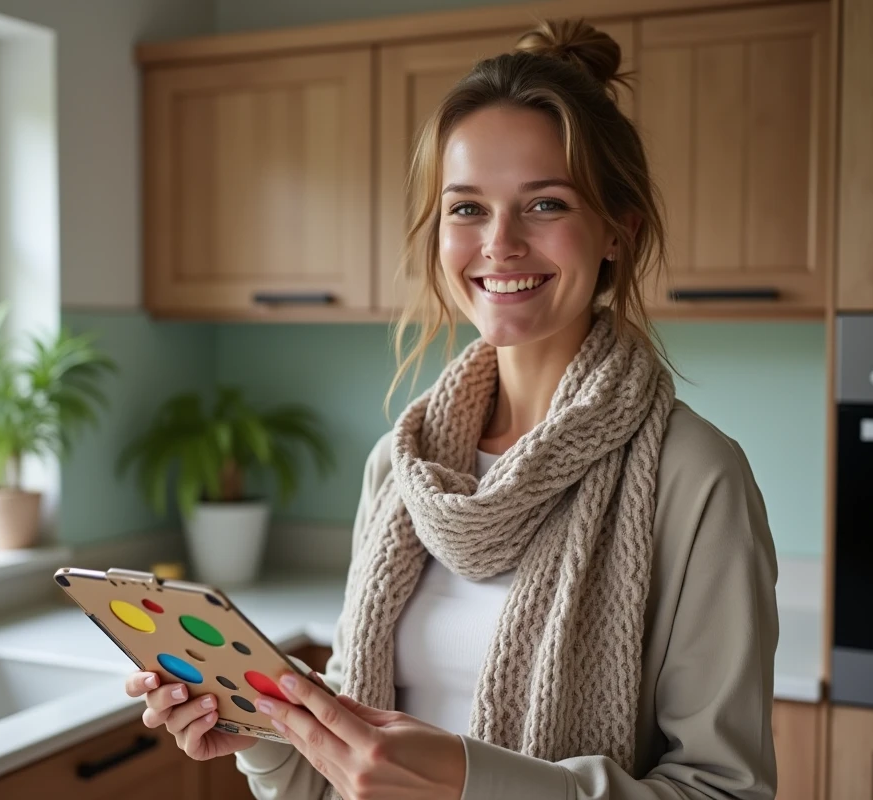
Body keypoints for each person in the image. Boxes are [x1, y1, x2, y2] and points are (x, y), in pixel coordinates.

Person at [125, 18, 778, 800]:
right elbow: (343, 779)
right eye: (467, 209)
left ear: (616, 231)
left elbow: (726, 791)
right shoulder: (400, 470)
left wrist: (476, 783)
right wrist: (267, 741)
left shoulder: (694, 477)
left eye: (545, 205)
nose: (499, 244)